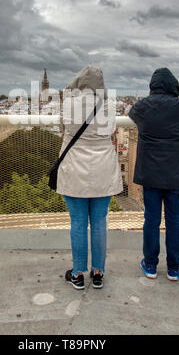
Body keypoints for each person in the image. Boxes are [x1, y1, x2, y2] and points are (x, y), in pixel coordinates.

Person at [56, 66, 123, 290]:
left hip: (74, 167)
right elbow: (112, 131)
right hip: (103, 168)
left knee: (77, 222)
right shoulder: (110, 105)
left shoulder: (67, 103)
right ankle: (98, 272)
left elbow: (62, 129)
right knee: (99, 221)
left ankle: (77, 273)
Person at [129, 68, 179, 281]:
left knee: (151, 220)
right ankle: (174, 268)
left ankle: (150, 265)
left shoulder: (141, 107)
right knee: (175, 221)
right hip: (175, 173)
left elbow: (132, 113)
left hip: (150, 173)